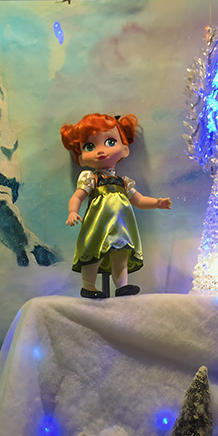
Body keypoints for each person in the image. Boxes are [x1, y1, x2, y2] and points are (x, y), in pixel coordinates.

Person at [60, 113, 171, 298]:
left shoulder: (124, 182)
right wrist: (73, 212)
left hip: (120, 228)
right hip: (97, 226)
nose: (101, 151)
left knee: (120, 256)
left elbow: (139, 200)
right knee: (93, 255)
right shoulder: (91, 178)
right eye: (89, 146)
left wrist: (157, 203)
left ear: (125, 149)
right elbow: (77, 197)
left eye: (110, 142)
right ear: (81, 158)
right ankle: (88, 287)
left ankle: (122, 286)